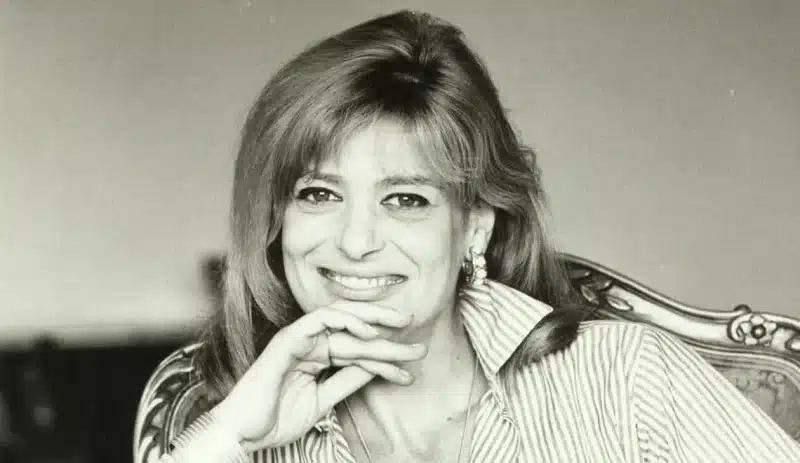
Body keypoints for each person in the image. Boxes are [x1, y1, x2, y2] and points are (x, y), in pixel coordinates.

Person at [135, 9, 800, 463]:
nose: (356, 242)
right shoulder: (250, 427)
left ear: (475, 225)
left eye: (405, 199)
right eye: (319, 194)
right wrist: (228, 435)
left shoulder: (625, 379)